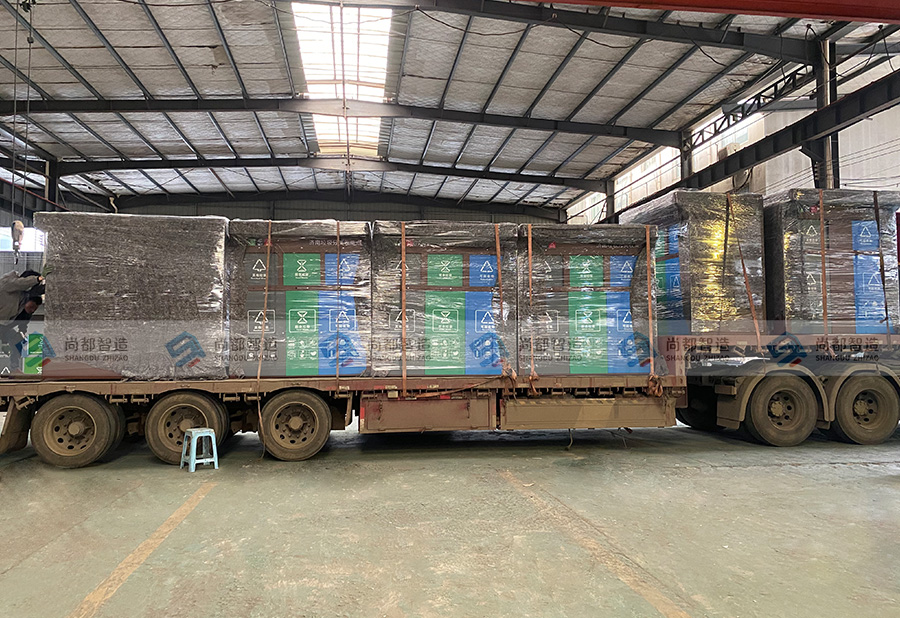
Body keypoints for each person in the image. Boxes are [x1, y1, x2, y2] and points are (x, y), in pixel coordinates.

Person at [0, 270, 44, 374]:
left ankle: (14, 368)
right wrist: (38, 279)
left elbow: (24, 321)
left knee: (16, 340)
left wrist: (22, 332)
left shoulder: (24, 298)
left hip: (3, 326)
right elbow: (20, 283)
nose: (32, 310)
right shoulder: (7, 283)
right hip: (2, 323)